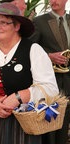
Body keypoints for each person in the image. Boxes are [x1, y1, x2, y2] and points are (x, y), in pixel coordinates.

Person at [0, 3, 59, 144]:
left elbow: (50, 89)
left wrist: (19, 97)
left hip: (24, 126)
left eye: (3, 22)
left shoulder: (33, 50)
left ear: (17, 26)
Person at [29, 0, 70, 143]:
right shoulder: (39, 21)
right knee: (50, 123)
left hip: (69, 81)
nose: (53, 1)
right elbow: (30, 48)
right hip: (51, 82)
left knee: (65, 123)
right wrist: (49, 56)